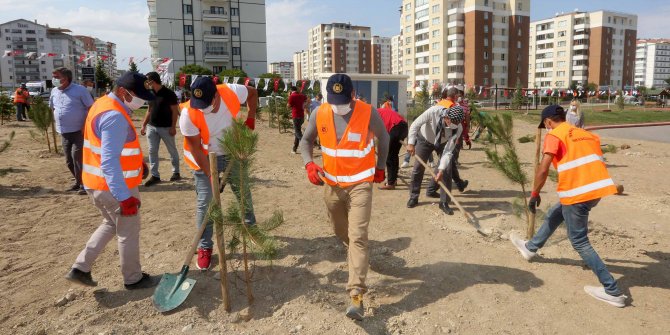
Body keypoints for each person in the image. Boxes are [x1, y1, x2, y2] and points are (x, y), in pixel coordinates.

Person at [510, 105, 626, 307]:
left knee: (579, 241)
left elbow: (543, 169)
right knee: (556, 213)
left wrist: (535, 194)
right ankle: (530, 248)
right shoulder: (585, 134)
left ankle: (612, 290)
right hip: (596, 190)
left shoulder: (554, 135)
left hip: (577, 192)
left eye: (545, 125)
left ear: (548, 122)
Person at [300, 73, 389, 321]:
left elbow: (385, 137)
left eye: (343, 100)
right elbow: (305, 141)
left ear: (352, 95)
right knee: (343, 234)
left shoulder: (368, 112)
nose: (338, 106)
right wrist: (309, 164)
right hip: (332, 185)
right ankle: (355, 255)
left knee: (358, 236)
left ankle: (356, 296)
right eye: (333, 100)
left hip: (360, 184)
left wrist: (381, 166)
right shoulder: (320, 113)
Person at [65, 72, 156, 290]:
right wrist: (124, 197)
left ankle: (81, 267)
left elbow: (109, 149)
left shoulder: (102, 104)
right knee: (128, 231)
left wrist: (138, 165)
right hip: (114, 188)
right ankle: (133, 278)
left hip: (95, 184)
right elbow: (109, 161)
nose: (142, 101)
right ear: (123, 92)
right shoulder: (114, 116)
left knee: (110, 224)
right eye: (139, 96)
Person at [179, 76, 258, 270]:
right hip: (203, 159)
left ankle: (251, 228)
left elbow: (253, 93)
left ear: (215, 95)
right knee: (206, 203)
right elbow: (196, 149)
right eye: (199, 104)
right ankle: (205, 247)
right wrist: (210, 173)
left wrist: (251, 116)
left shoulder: (230, 91)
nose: (202, 108)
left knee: (243, 192)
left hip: (232, 152)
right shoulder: (188, 114)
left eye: (206, 103)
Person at [406, 105, 464, 215]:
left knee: (447, 170)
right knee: (418, 167)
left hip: (443, 144)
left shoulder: (458, 128)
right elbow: (415, 124)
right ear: (447, 117)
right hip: (425, 139)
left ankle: (444, 202)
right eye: (451, 123)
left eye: (455, 125)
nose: (452, 126)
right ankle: (414, 197)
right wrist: (411, 143)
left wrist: (441, 170)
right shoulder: (433, 111)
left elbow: (448, 151)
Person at [49, 67, 95, 195]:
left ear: (66, 78)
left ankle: (85, 184)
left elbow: (91, 108)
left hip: (79, 132)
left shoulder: (80, 90)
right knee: (69, 160)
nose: (54, 79)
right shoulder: (54, 91)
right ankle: (78, 181)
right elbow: (53, 108)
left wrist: (84, 127)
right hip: (63, 132)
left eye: (57, 77)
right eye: (53, 76)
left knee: (78, 158)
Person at [140, 72, 181, 186]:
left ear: (153, 81)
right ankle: (155, 176)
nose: (146, 84)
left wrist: (173, 127)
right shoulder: (150, 94)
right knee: (152, 151)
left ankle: (176, 172)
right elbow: (149, 110)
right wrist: (144, 125)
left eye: (147, 81)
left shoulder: (169, 93)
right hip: (151, 127)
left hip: (166, 127)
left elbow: (174, 111)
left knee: (172, 150)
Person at [377, 107, 408, 190]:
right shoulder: (380, 111)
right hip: (403, 127)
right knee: (393, 155)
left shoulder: (373, 114)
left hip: (396, 127)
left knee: (389, 156)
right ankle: (393, 180)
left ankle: (391, 183)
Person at [287, 86, 308, 154]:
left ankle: (304, 142)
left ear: (291, 90)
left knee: (297, 132)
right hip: (302, 116)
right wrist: (304, 106)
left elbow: (288, 106)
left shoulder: (292, 96)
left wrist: (289, 97)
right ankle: (294, 149)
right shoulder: (302, 95)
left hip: (295, 115)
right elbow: (308, 100)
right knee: (297, 132)